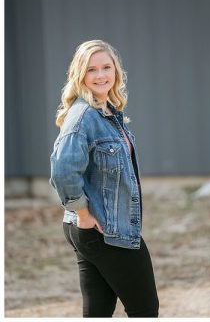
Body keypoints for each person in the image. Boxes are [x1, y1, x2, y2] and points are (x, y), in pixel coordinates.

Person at [50, 40, 159, 317]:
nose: (100, 75)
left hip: (96, 228)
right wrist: (83, 215)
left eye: (106, 67)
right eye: (92, 69)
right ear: (80, 74)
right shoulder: (84, 115)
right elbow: (62, 169)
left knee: (98, 311)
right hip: (103, 230)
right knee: (144, 309)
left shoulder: (107, 111)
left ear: (116, 71)